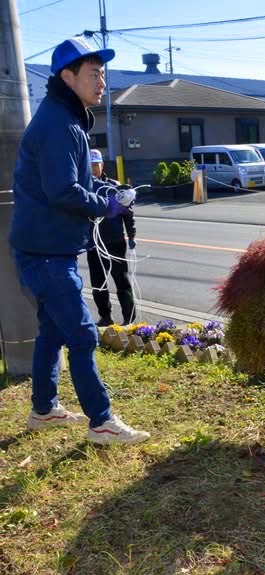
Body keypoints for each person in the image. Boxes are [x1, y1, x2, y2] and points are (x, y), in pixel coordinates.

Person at [9, 37, 150, 445]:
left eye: (103, 72)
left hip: (46, 247)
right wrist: (107, 206)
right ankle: (102, 422)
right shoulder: (59, 124)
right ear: (67, 77)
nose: (102, 81)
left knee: (52, 332)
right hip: (47, 254)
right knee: (83, 334)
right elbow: (63, 191)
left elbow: (72, 184)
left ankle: (43, 409)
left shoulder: (65, 117)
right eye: (94, 73)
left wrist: (107, 193)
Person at [86, 148, 137, 327]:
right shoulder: (84, 188)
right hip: (93, 243)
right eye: (90, 165)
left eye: (96, 165)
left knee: (121, 279)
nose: (93, 169)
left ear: (102, 165)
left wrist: (131, 235)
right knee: (98, 283)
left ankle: (129, 317)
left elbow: (127, 212)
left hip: (115, 241)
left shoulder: (114, 186)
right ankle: (105, 317)